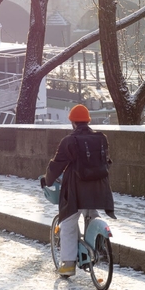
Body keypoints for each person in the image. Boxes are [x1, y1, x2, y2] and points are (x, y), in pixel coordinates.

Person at [43, 104, 115, 277]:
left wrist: (47, 180)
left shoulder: (69, 141)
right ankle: (96, 246)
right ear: (88, 121)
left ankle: (68, 264)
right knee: (91, 212)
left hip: (77, 190)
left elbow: (56, 166)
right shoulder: (101, 138)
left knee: (68, 223)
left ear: (73, 122)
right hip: (100, 187)